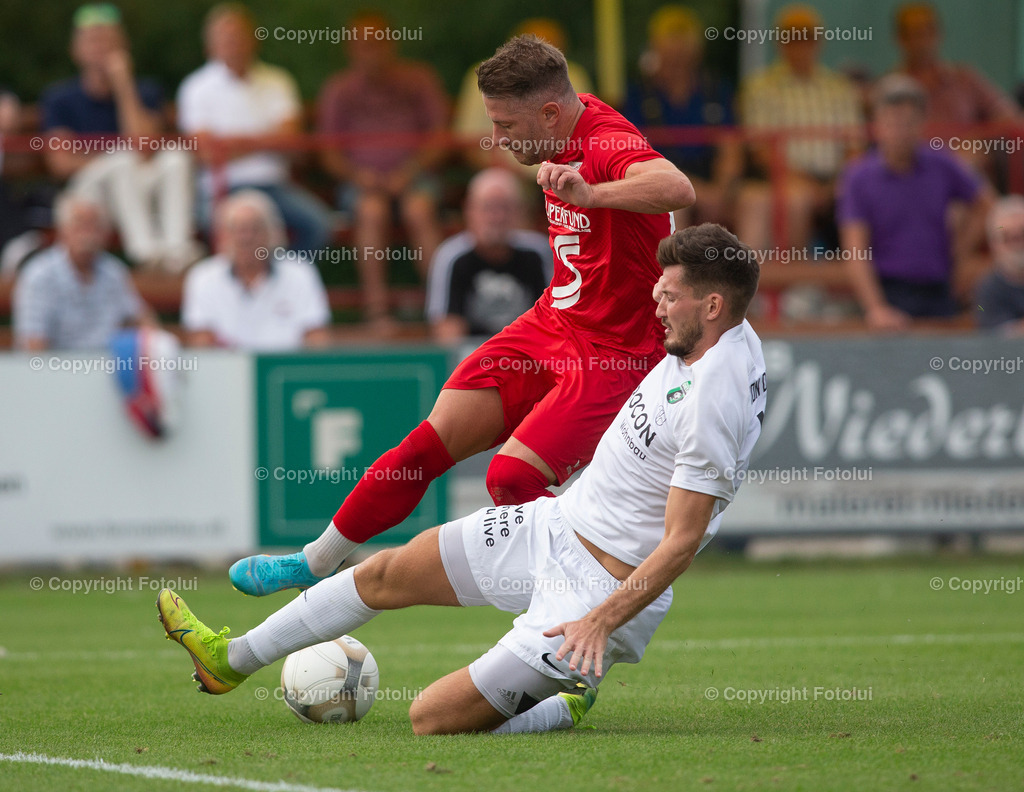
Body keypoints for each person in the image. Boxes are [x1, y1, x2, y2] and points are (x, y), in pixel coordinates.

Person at [157, 222, 766, 736]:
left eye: (670, 296)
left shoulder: (718, 395)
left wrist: (599, 622)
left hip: (596, 589)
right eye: (657, 290)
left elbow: (682, 540)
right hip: (556, 524)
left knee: (430, 718)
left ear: (712, 306)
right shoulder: (711, 337)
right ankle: (228, 661)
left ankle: (565, 699)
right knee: (383, 573)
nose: (654, 305)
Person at [227, 35, 695, 597]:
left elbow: (676, 186)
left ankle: (599, 614)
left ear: (550, 111)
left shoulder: (606, 141)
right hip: (554, 323)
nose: (495, 139)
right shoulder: (559, 129)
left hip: (616, 351)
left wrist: (593, 193)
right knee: (424, 446)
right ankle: (313, 561)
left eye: (506, 125)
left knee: (513, 477)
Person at [40, 3, 198, 272]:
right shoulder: (59, 99)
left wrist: (123, 84)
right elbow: (61, 163)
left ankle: (176, 252)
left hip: (138, 188)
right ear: (75, 50)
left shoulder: (144, 91)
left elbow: (145, 146)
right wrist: (114, 159)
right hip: (88, 196)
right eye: (92, 40)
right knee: (123, 160)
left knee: (175, 158)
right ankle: (147, 254)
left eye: (108, 39)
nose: (100, 48)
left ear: (123, 46)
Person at [317, 10, 448, 331]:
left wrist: (410, 170)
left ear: (391, 44)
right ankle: (378, 313)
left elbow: (441, 137)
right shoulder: (339, 90)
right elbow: (327, 152)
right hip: (362, 185)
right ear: (350, 49)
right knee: (371, 211)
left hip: (416, 178)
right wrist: (358, 176)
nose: (370, 52)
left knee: (419, 209)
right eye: (362, 45)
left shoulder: (419, 80)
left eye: (376, 44)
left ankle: (442, 310)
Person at [177, 3, 333, 255]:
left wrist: (232, 143)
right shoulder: (195, 88)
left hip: (275, 186)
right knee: (226, 230)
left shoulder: (278, 81)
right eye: (226, 38)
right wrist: (268, 139)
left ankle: (277, 280)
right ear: (211, 44)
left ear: (253, 39)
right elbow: (207, 153)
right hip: (222, 189)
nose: (234, 44)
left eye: (239, 36)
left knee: (319, 226)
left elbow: (293, 144)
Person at [838, 75, 991, 330]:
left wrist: (961, 252)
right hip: (889, 291)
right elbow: (855, 250)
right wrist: (876, 308)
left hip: (940, 289)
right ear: (877, 125)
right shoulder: (858, 177)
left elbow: (987, 205)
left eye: (908, 122)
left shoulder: (943, 165)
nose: (900, 132)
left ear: (922, 123)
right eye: (892, 122)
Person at [736, 4, 863, 252]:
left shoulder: (840, 89)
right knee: (795, 199)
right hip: (782, 178)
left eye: (808, 37)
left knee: (865, 193)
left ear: (819, 41)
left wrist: (841, 183)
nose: (801, 44)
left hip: (835, 180)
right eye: (793, 37)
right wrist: (803, 183)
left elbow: (854, 147)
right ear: (780, 42)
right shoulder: (761, 88)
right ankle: (788, 283)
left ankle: (817, 281)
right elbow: (761, 150)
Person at [622, 5, 742, 228]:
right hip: (660, 181)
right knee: (675, 203)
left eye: (683, 54)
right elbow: (636, 157)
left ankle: (762, 263)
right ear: (656, 49)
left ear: (697, 52)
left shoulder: (716, 92)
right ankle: (673, 264)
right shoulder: (638, 96)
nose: (677, 61)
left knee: (757, 200)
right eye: (670, 54)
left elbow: (730, 149)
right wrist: (693, 188)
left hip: (716, 183)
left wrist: (722, 190)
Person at [182, 190, 331, 350]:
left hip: (285, 371)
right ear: (223, 236)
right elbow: (201, 342)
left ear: (272, 233)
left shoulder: (300, 273)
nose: (246, 238)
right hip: (228, 372)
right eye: (237, 229)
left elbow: (316, 338)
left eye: (254, 229)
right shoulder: (203, 277)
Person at [454, 18, 594, 175]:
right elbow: (468, 142)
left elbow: (586, 134)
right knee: (492, 187)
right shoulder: (482, 77)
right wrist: (498, 165)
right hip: (505, 173)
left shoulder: (574, 76)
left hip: (565, 169)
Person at [425, 168, 549, 342]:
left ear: (519, 212)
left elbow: (554, 319)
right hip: (473, 358)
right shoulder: (451, 257)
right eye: (487, 208)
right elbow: (447, 329)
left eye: (504, 208)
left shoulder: (539, 252)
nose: (496, 217)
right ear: (469, 210)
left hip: (529, 354)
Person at [14, 192, 148, 350]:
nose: (88, 233)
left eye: (94, 225)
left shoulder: (113, 271)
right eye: (80, 224)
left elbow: (141, 319)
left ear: (106, 233)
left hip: (108, 368)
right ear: (62, 229)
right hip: (55, 370)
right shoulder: (39, 275)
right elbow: (33, 344)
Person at [894, 2, 1019, 128]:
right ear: (900, 38)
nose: (921, 41)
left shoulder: (965, 80)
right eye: (913, 33)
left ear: (939, 33)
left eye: (927, 31)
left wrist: (977, 140)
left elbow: (1009, 117)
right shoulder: (891, 87)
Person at [975, 195, 1024, 335]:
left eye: (1023, 234)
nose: (1018, 244)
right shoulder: (988, 289)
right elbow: (997, 338)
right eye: (1008, 238)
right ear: (994, 244)